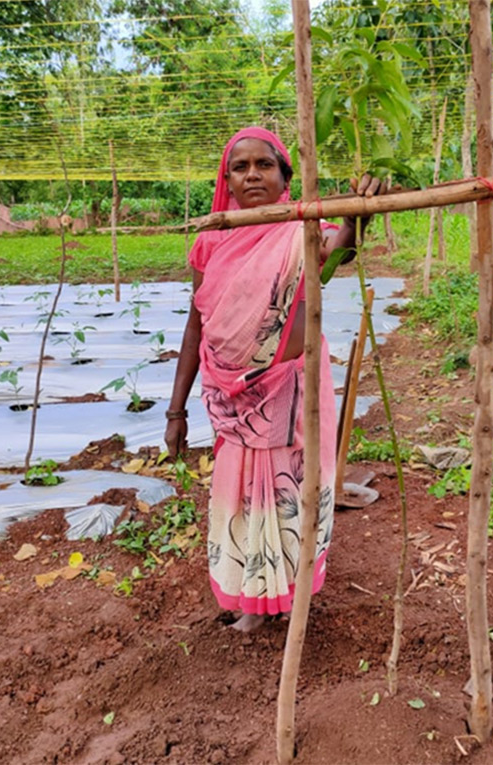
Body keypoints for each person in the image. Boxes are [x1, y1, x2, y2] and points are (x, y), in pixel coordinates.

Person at [164, 126, 384, 632]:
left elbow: (338, 246)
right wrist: (175, 411)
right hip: (231, 395)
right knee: (239, 496)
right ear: (227, 180)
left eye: (264, 164)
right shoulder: (211, 242)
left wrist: (359, 212)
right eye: (240, 167)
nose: (252, 174)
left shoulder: (302, 229)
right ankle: (250, 603)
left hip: (287, 390)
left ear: (286, 175)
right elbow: (197, 322)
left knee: (288, 493)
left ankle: (289, 597)